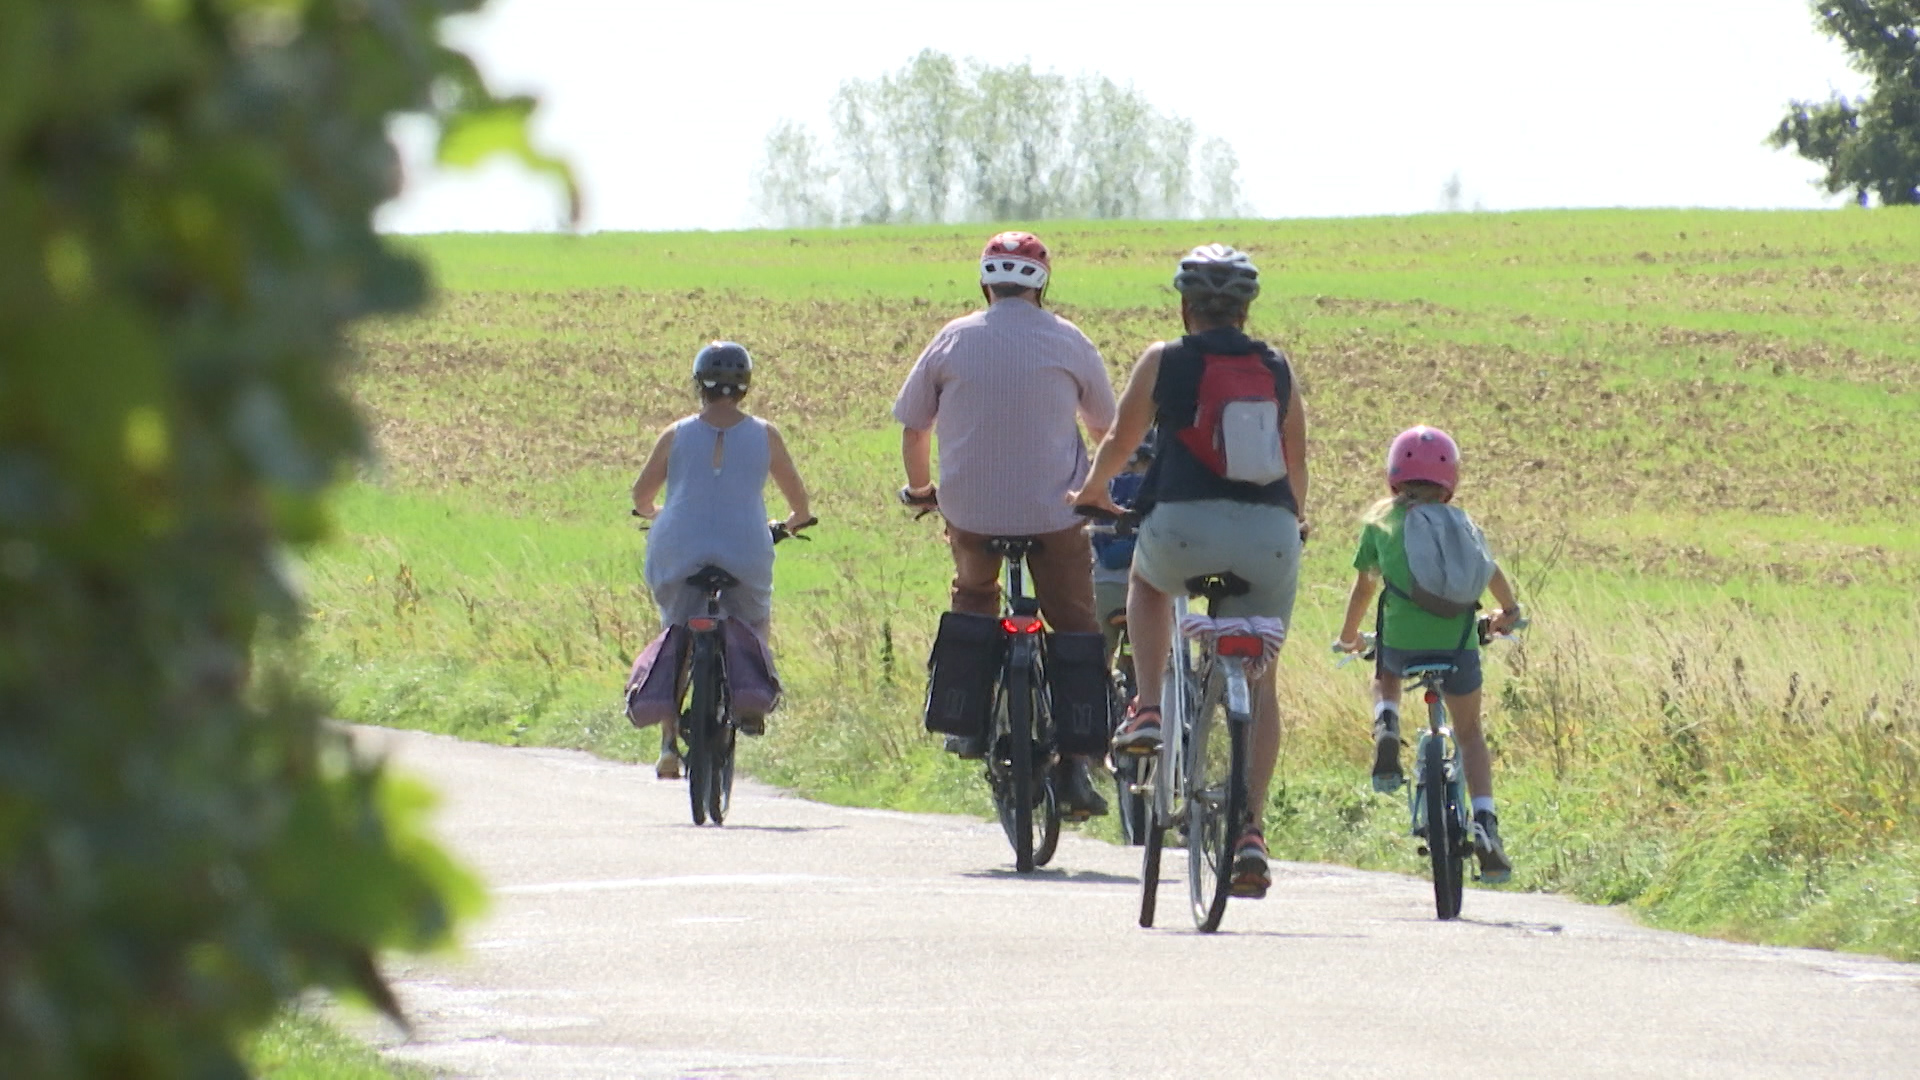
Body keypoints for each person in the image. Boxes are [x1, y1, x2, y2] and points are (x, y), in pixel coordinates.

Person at [1071, 243, 1308, 899]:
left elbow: (1121, 441)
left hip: (1181, 530)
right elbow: (1296, 463)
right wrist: (1294, 521)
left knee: (1148, 585)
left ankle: (1147, 709)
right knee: (1261, 684)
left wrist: (1091, 493)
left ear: (1184, 307)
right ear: (1246, 309)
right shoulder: (1276, 367)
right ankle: (1251, 830)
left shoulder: (1163, 360)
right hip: (1269, 537)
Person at [893, 230, 1117, 817]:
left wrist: (922, 491)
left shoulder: (952, 339)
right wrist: (1101, 492)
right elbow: (1106, 430)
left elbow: (915, 429)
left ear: (985, 281)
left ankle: (966, 725)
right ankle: (1075, 767)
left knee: (975, 592)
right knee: (1073, 621)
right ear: (1043, 284)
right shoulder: (1069, 340)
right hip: (1055, 513)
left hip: (969, 510)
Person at [1334, 425, 1522, 882]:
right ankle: (1485, 821)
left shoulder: (1380, 522)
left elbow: (1365, 587)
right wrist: (1510, 613)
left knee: (1384, 669)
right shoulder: (1463, 525)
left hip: (1400, 645)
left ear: (1394, 477)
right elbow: (1489, 570)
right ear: (1450, 481)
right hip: (1457, 648)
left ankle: (1387, 722)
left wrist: (1349, 636)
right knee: (1470, 733)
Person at [631, 341, 813, 780]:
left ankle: (668, 746)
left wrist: (657, 515)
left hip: (677, 545)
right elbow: (800, 506)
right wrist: (789, 524)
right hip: (745, 546)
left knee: (675, 633)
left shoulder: (675, 434)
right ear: (745, 387)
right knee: (754, 622)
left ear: (699, 385)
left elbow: (641, 497)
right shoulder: (766, 434)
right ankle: (751, 701)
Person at [1091, 434, 1155, 678]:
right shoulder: (1159, 491)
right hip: (1145, 591)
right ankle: (1134, 688)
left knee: (1098, 660)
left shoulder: (1104, 487)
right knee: (1140, 661)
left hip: (1104, 589)